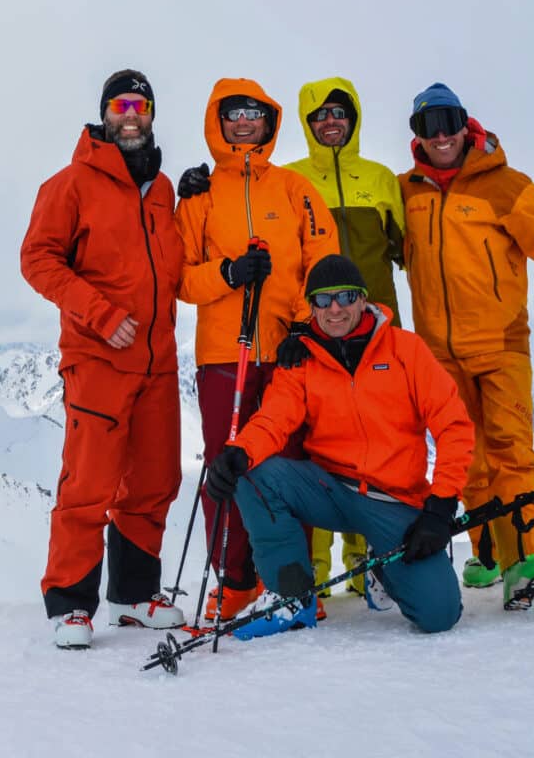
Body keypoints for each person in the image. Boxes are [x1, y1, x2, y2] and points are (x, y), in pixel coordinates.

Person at [205, 254, 476, 639]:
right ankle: (291, 599)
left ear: (363, 299)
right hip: (330, 489)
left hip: (393, 500)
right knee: (254, 473)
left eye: (346, 296)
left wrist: (441, 504)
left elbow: (454, 425)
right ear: (311, 306)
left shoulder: (405, 349)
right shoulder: (300, 360)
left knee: (439, 614)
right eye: (323, 299)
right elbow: (274, 419)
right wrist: (239, 451)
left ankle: (384, 564)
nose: (335, 308)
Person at [398, 83, 534, 611]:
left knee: (510, 449)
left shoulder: (507, 186)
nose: (439, 135)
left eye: (447, 121)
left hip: (502, 342)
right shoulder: (407, 192)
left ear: (466, 124)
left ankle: (526, 559)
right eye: (426, 125)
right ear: (416, 135)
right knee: (467, 460)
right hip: (438, 350)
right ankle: (487, 552)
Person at [20, 69, 187, 649]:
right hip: (97, 359)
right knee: (88, 484)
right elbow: (38, 260)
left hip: (158, 361)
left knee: (155, 480)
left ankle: (134, 597)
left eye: (140, 104)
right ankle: (70, 604)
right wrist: (100, 314)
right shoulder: (70, 184)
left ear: (152, 114)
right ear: (104, 114)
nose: (131, 113)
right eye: (120, 104)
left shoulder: (163, 189)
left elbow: (174, 269)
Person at [174, 79, 338, 622]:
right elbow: (182, 279)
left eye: (254, 113)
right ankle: (237, 581)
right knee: (228, 465)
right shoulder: (199, 195)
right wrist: (228, 273)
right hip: (224, 352)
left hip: (290, 350)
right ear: (216, 121)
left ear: (268, 122)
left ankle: (292, 581)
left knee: (291, 463)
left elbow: (323, 259)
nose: (244, 122)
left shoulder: (295, 189)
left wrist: (302, 322)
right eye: (233, 113)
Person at [281, 77, 407, 599]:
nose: (331, 122)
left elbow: (407, 248)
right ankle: (315, 565)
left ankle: (367, 561)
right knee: (317, 444)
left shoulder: (381, 180)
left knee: (376, 443)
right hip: (317, 331)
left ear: (353, 120)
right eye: (321, 115)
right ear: (308, 123)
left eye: (341, 113)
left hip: (379, 334)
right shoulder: (291, 180)